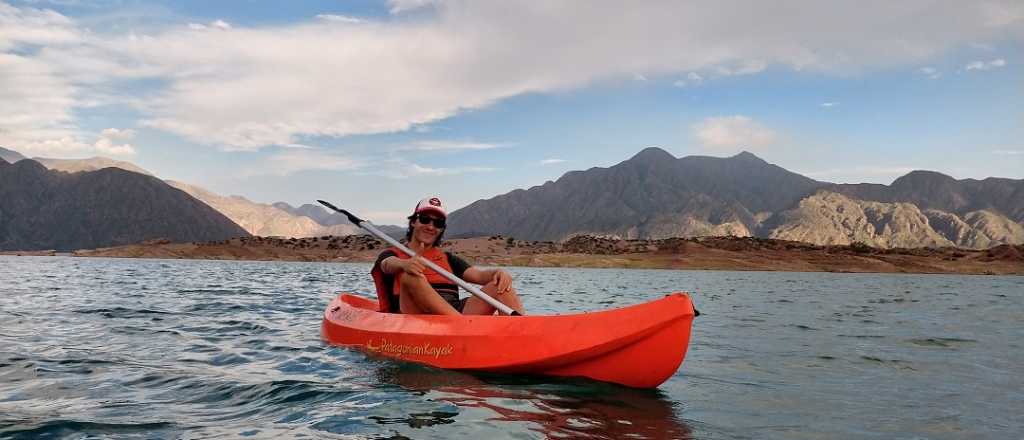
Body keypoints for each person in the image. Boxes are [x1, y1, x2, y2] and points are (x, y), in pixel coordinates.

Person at [371, 196, 525, 316]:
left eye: (437, 223)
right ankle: (461, 328)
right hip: (414, 314)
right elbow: (387, 264)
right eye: (425, 219)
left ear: (441, 229)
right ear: (413, 222)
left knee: (500, 285)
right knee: (410, 276)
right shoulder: (391, 254)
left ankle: (522, 333)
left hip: (454, 311)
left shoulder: (448, 259)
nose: (431, 226)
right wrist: (404, 264)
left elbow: (478, 275)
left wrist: (497, 273)